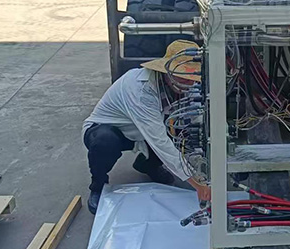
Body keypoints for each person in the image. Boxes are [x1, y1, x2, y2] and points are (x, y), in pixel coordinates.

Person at [83, 40, 210, 214]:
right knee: (105, 141)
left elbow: (195, 120)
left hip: (143, 131)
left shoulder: (184, 85)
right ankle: (98, 186)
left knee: (181, 131)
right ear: (167, 70)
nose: (188, 82)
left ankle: (147, 165)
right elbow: (159, 141)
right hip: (111, 129)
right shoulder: (140, 89)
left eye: (191, 77)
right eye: (182, 77)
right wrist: (196, 183)